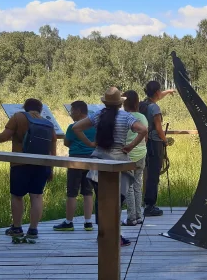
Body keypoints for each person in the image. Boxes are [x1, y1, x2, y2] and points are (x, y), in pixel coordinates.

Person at [72, 87, 148, 247]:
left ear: (105, 102)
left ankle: (103, 235)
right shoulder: (126, 116)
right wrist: (130, 146)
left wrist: (91, 144)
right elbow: (143, 130)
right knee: (116, 202)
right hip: (118, 161)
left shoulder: (98, 115)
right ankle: (115, 236)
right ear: (120, 102)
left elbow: (76, 128)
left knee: (102, 200)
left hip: (98, 161)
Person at [0, 98, 57, 239]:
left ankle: (17, 228)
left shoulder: (18, 117)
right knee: (36, 196)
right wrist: (51, 168)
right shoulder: (48, 124)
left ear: (25, 107)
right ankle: (33, 230)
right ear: (41, 109)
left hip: (20, 163)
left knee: (17, 196)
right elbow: (52, 149)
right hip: (42, 164)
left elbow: (5, 136)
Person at [53, 101, 95, 232]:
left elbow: (66, 142)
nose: (71, 114)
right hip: (91, 160)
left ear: (79, 111)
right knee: (88, 191)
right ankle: (88, 222)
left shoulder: (73, 126)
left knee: (72, 191)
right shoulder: (95, 126)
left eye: (72, 111)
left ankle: (69, 221)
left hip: (75, 160)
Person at [141, 81, 176, 217]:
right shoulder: (154, 108)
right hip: (155, 143)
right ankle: (150, 205)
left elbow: (158, 96)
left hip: (144, 142)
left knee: (147, 173)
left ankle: (145, 203)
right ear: (156, 92)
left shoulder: (143, 104)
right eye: (160, 91)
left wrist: (169, 91)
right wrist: (165, 140)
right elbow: (159, 128)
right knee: (154, 175)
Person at [122, 90, 148, 226]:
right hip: (142, 153)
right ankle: (139, 215)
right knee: (138, 185)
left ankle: (131, 217)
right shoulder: (143, 117)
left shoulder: (124, 117)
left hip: (128, 155)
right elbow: (145, 137)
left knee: (128, 187)